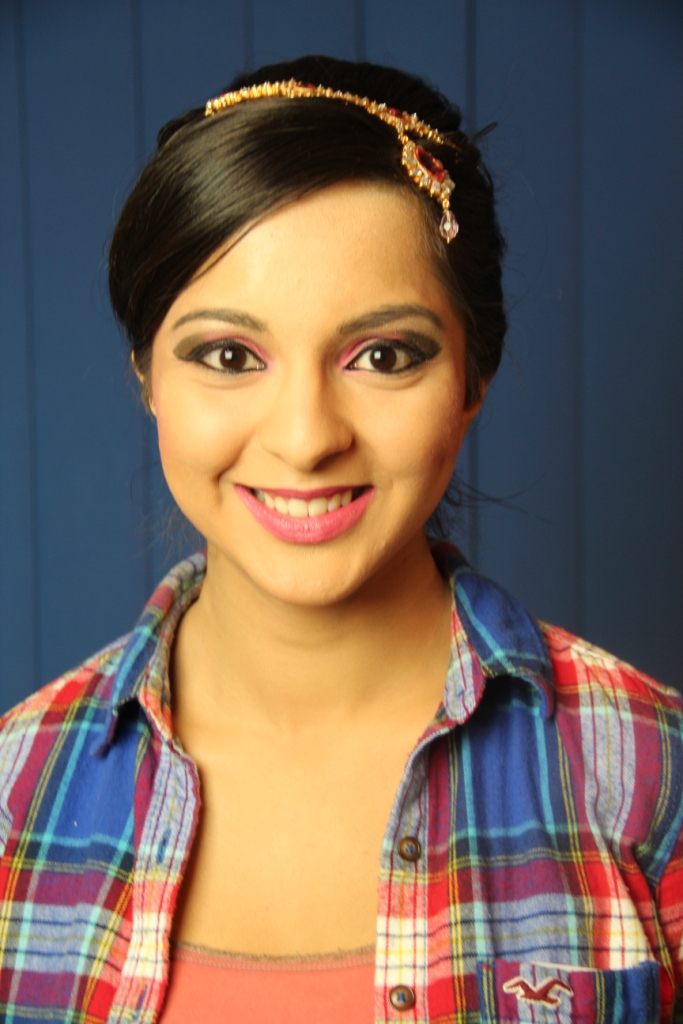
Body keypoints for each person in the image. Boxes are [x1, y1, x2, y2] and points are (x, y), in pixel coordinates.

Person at [0, 53, 681, 1024]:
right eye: (227, 355)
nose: (306, 436)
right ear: (148, 374)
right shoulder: (15, 793)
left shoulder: (652, 779)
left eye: (383, 355)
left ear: (472, 379)